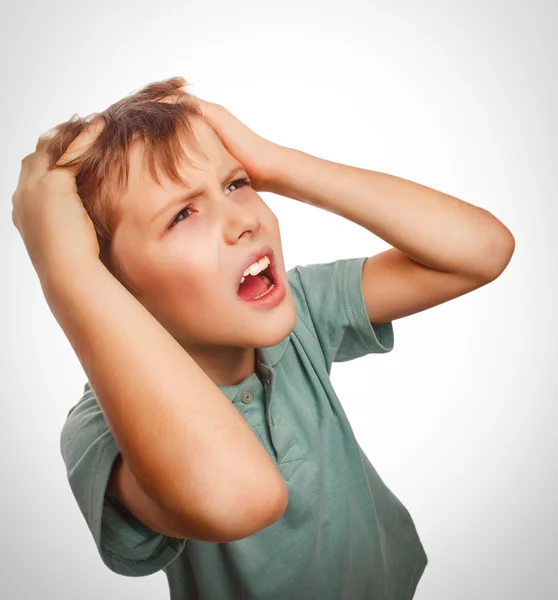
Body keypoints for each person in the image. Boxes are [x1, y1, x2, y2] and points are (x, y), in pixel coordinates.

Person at [11, 76, 514, 599]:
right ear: (110, 288)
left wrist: (274, 161)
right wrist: (66, 271)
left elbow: (482, 250)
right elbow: (241, 496)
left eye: (235, 184)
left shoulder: (298, 315)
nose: (241, 221)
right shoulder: (102, 431)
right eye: (183, 214)